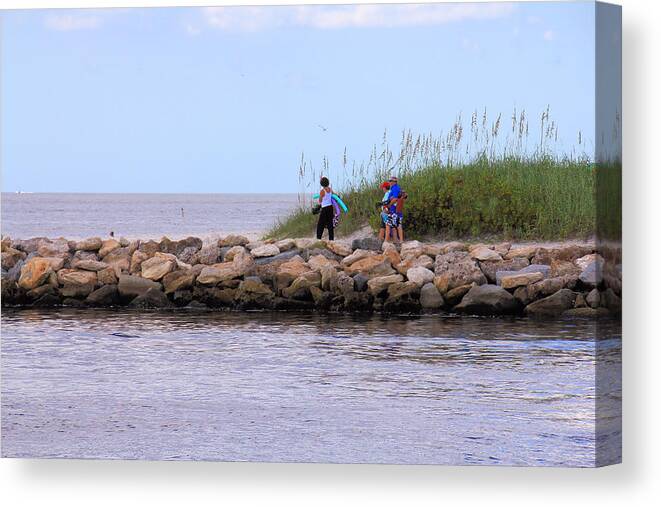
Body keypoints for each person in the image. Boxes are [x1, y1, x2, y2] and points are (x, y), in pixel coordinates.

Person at [316, 176, 335, 240]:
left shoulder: (322, 191)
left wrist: (318, 207)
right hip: (330, 208)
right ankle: (331, 239)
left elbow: (320, 200)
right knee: (330, 224)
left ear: (321, 184)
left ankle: (318, 238)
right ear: (328, 183)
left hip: (324, 209)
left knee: (320, 224)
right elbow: (334, 195)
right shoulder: (330, 189)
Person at [384, 175, 402, 243]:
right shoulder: (396, 188)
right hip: (396, 210)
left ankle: (386, 241)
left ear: (395, 182)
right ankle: (399, 240)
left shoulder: (394, 188)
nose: (390, 182)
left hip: (393, 210)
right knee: (397, 225)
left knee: (388, 224)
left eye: (391, 181)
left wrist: (388, 205)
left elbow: (395, 198)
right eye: (389, 181)